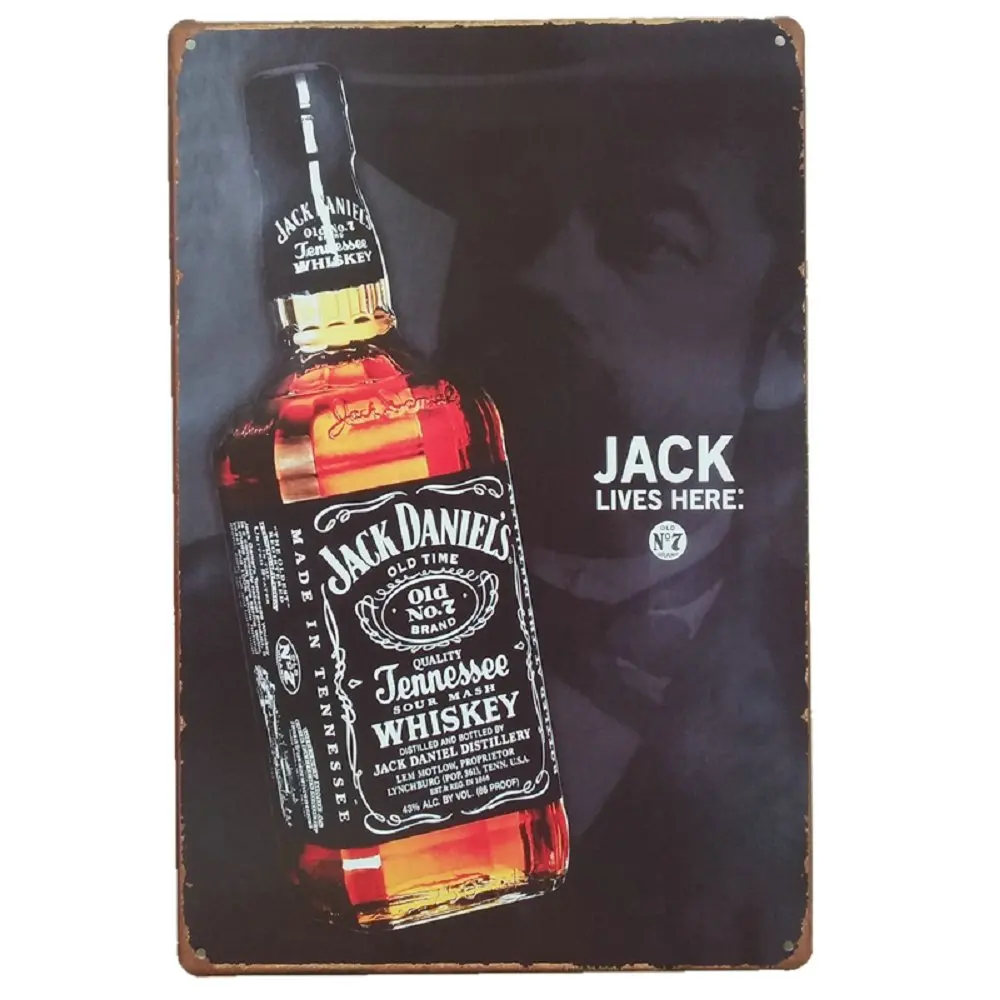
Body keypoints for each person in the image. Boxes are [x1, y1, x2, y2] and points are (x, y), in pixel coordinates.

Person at [178, 19, 808, 968]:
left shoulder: (815, 665)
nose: (536, 272)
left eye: (645, 239)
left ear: (786, 339)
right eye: (516, 213)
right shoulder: (197, 633)